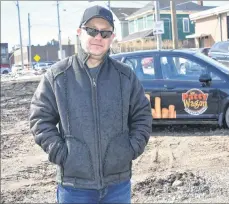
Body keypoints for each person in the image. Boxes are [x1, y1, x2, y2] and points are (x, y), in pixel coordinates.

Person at [29, 5, 152, 203]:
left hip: (117, 186)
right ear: (79, 32)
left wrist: (129, 149)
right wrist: (62, 154)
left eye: (105, 33)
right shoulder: (58, 76)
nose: (98, 37)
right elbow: (40, 119)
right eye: (92, 30)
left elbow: (142, 116)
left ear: (112, 38)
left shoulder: (125, 76)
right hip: (74, 187)